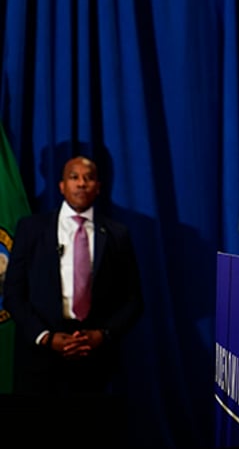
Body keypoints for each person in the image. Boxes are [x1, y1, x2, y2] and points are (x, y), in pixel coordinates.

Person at [4, 155, 143, 394]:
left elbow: (133, 300)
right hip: (41, 357)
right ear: (61, 186)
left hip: (95, 359)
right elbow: (13, 294)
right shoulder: (31, 229)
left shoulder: (117, 234)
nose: (81, 183)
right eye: (74, 177)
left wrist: (102, 335)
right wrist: (46, 337)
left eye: (88, 178)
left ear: (98, 188)